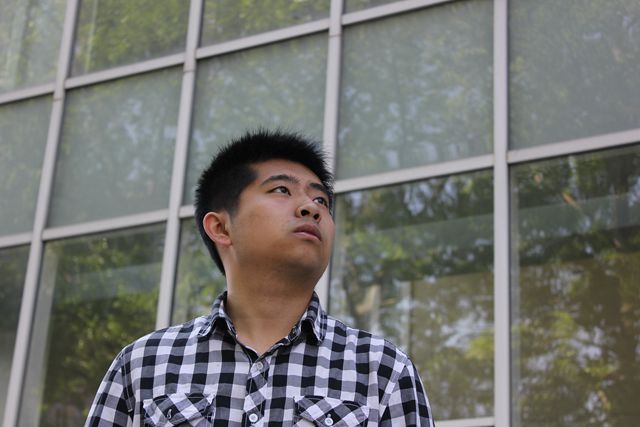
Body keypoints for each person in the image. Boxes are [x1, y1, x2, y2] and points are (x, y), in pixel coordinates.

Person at [85, 129, 435, 426]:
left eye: (321, 200)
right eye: (282, 190)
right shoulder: (144, 364)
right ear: (221, 227)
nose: (311, 208)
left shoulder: (381, 369)